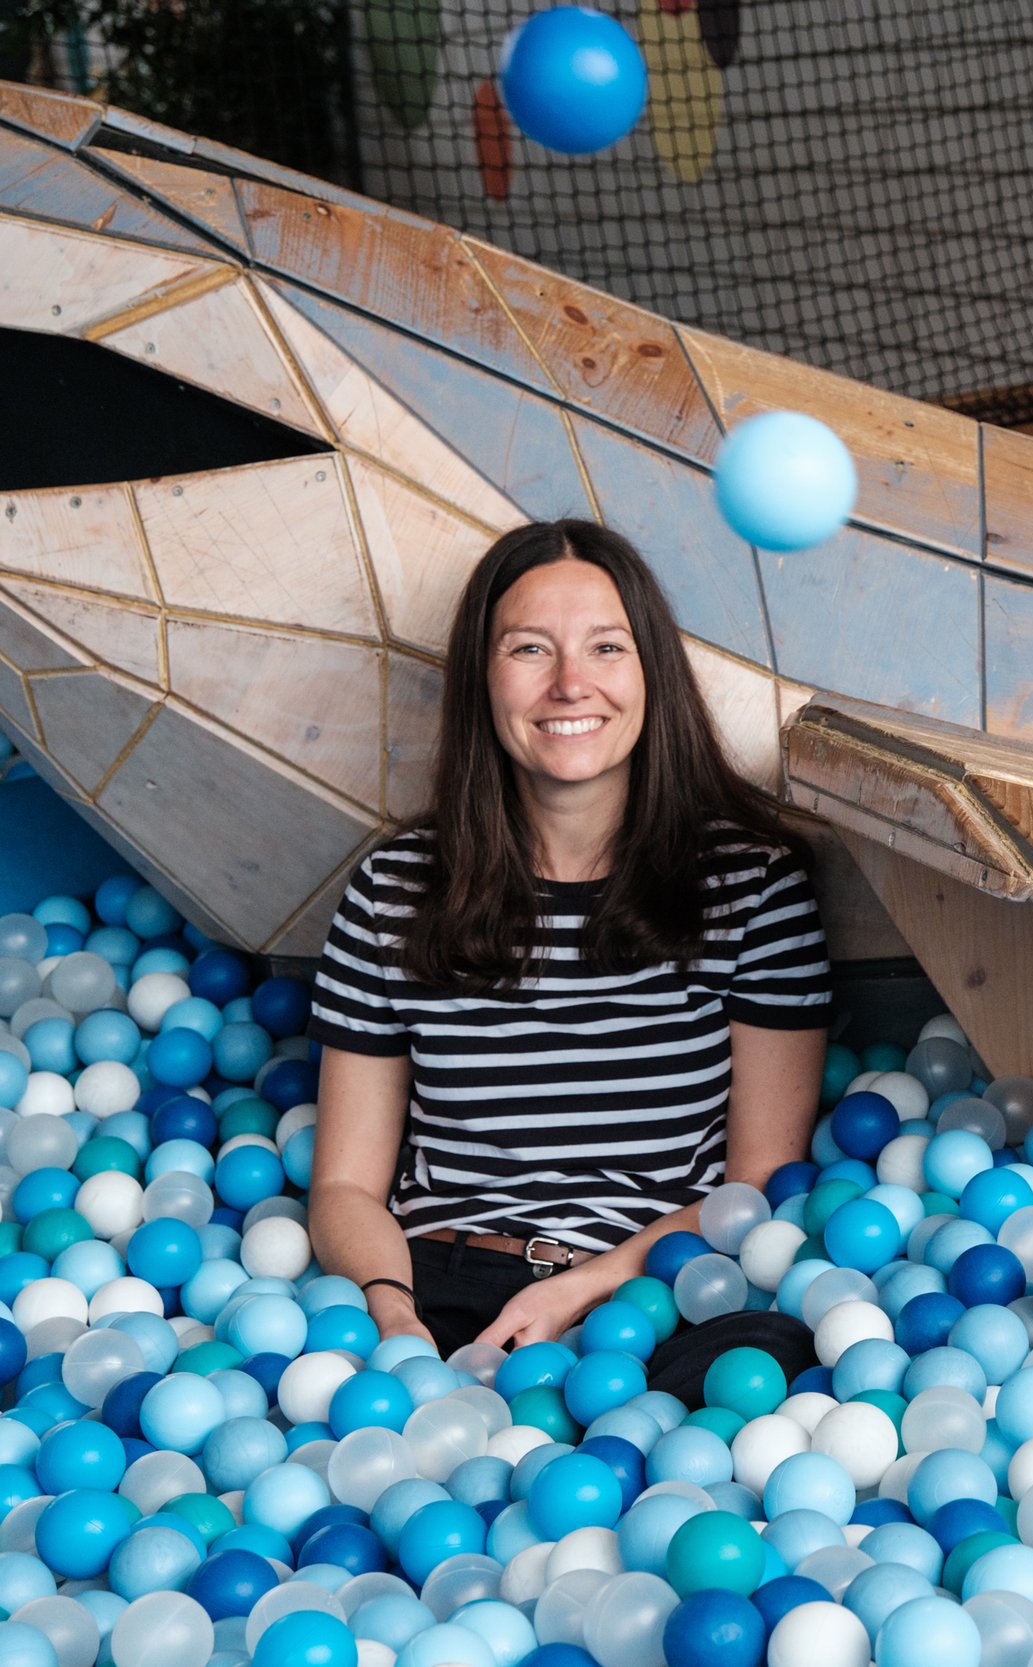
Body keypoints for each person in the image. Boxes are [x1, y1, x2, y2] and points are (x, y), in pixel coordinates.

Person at [308, 520, 831, 1402]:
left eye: (606, 647)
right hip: (439, 1290)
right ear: (482, 678)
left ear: (651, 671)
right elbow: (344, 1184)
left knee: (768, 1362)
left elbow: (757, 1183)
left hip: (653, 1296)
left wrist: (585, 1286)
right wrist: (392, 1315)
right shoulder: (394, 889)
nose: (569, 683)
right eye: (529, 648)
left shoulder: (750, 887)